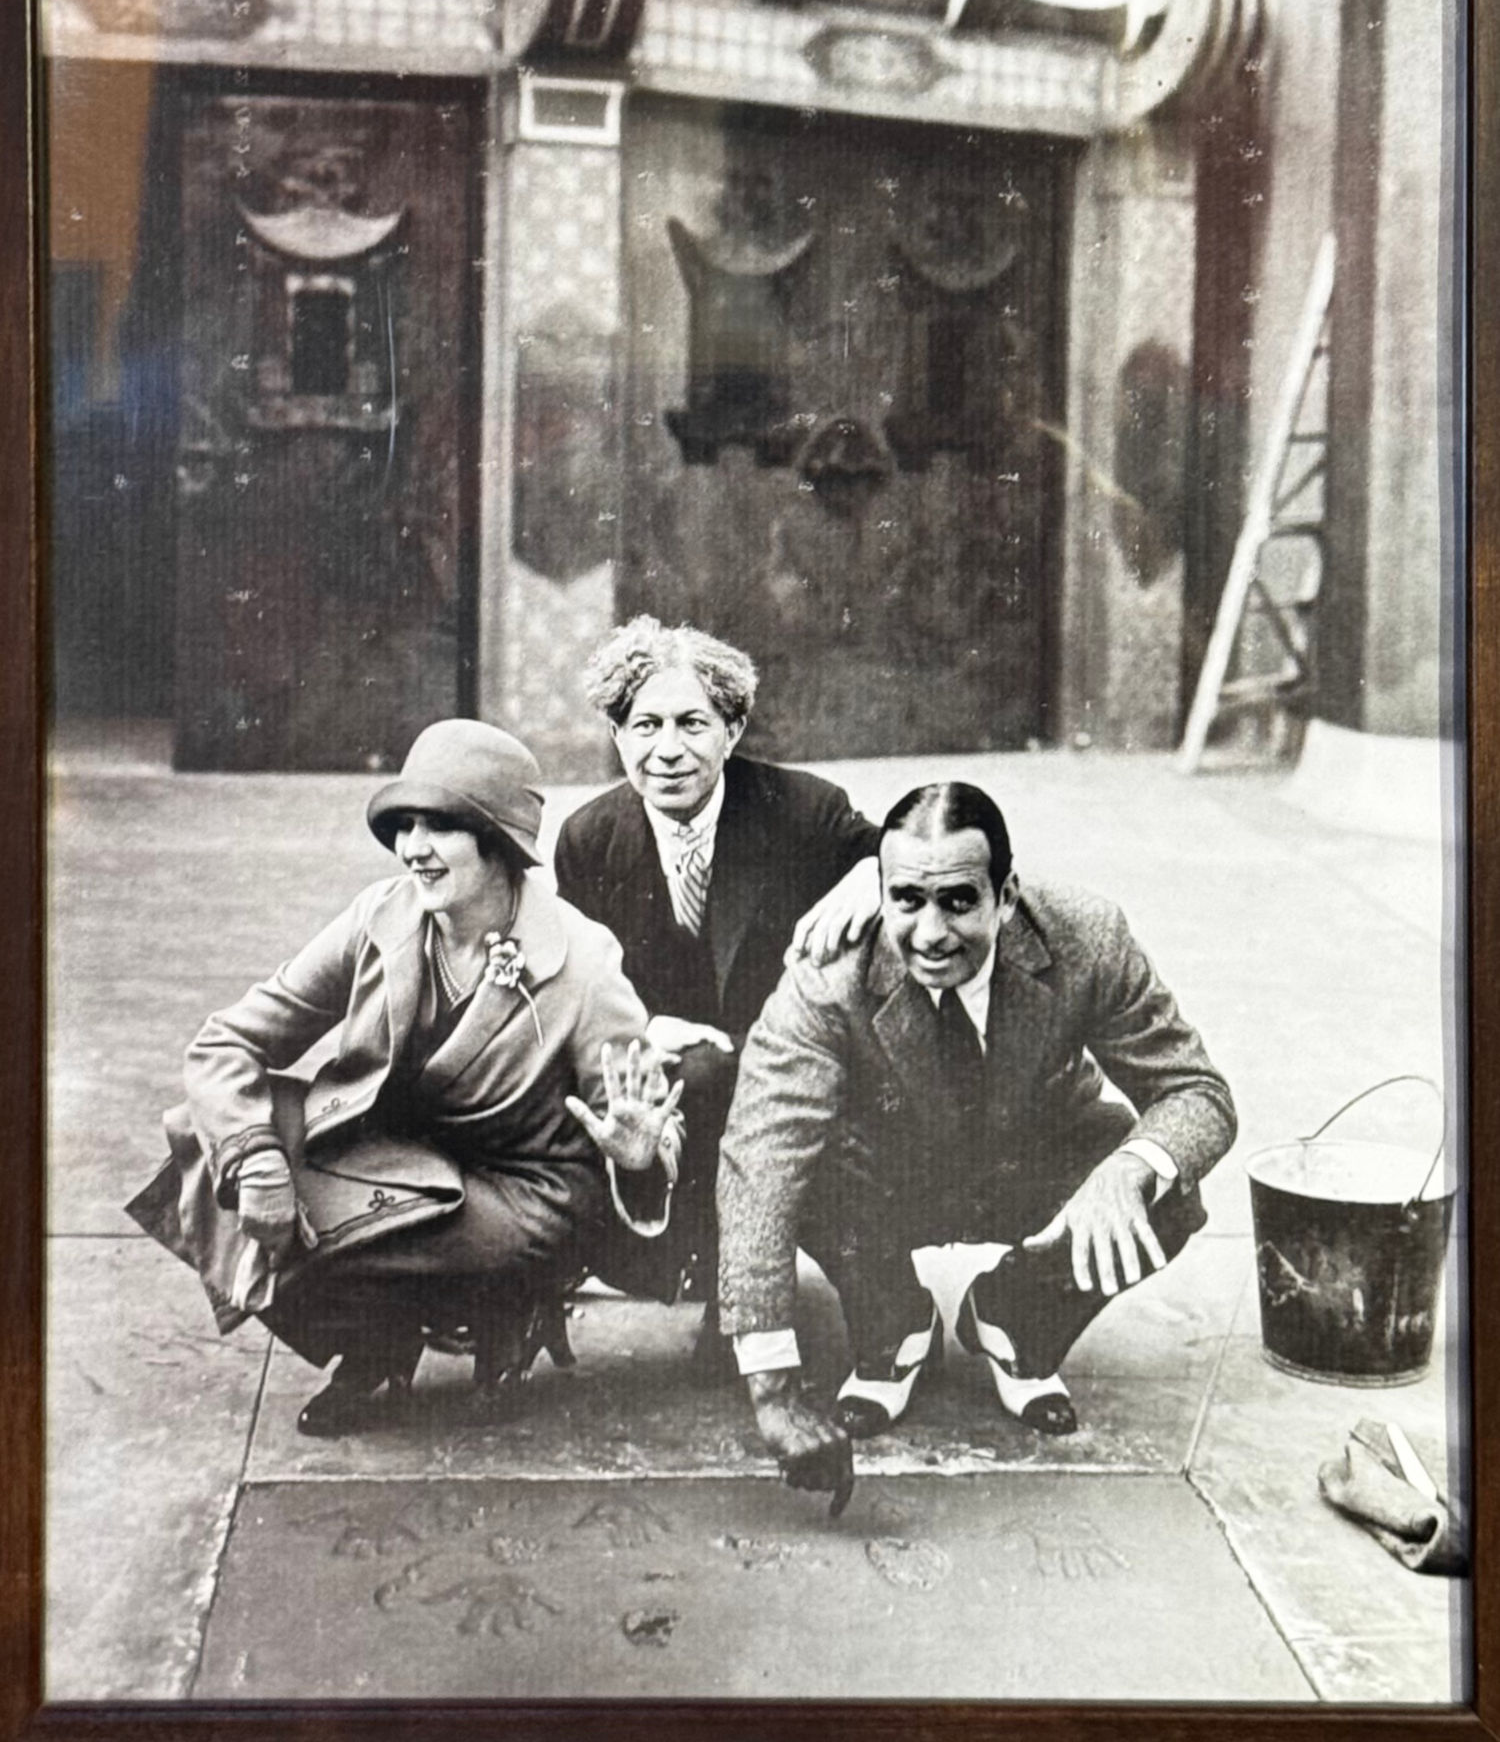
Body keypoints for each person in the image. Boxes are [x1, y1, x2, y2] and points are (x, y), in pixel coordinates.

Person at [128, 720, 683, 1437]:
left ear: (499, 839)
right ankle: (380, 1342)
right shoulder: (381, 918)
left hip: (526, 1191)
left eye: (441, 825)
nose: (413, 849)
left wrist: (637, 1156)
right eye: (404, 824)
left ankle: (496, 1305)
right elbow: (226, 1040)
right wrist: (255, 1158)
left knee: (324, 1229)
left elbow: (643, 1126)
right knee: (205, 1157)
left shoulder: (581, 960)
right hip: (399, 1161)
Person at [716, 780, 1236, 1512]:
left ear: (1008, 895)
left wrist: (1126, 1171)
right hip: (889, 1179)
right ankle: (892, 1318)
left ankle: (1016, 1313)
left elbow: (1197, 1092)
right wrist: (772, 1391)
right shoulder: (828, 976)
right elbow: (759, 1161)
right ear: (883, 891)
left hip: (1030, 1160)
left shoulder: (1088, 937)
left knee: (1169, 1192)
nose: (930, 933)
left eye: (959, 901)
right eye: (907, 901)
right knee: (800, 1175)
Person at [553, 617, 881, 1359]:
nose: (667, 749)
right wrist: (649, 1029)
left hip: (787, 1060)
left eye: (692, 723)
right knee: (670, 1088)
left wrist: (875, 872)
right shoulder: (588, 837)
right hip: (664, 1056)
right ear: (617, 733)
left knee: (729, 1085)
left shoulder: (802, 810)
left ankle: (750, 1295)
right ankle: (700, 1271)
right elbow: (585, 973)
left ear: (733, 730)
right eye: (644, 725)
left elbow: (920, 843)